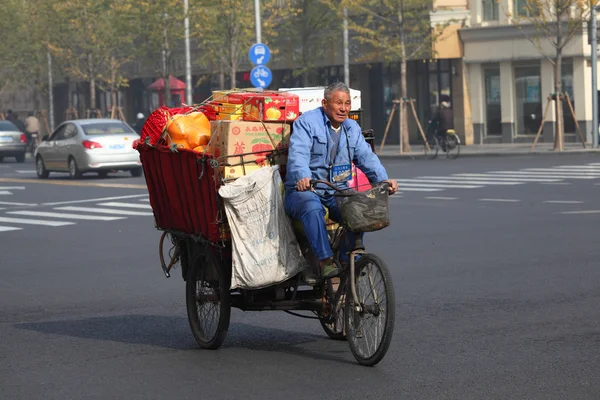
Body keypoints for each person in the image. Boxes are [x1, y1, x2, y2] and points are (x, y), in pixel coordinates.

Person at [284, 82, 398, 281]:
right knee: (312, 207)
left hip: (336, 191)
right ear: (325, 103)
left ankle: (348, 259)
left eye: (347, 103)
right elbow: (298, 154)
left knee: (360, 205)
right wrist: (303, 177)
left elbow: (366, 156)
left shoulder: (351, 128)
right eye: (338, 103)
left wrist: (383, 179)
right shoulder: (308, 122)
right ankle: (324, 260)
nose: (344, 108)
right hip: (305, 191)